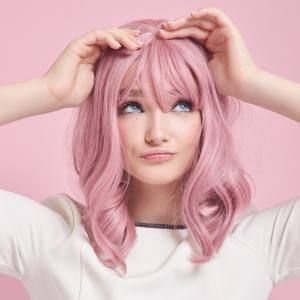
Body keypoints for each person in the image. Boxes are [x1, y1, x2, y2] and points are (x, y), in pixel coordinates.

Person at [0, 6, 299, 300]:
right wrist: (50, 90)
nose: (157, 133)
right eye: (132, 107)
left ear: (206, 119)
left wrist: (251, 82)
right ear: (106, 120)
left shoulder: (255, 243)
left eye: (182, 105)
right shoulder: (54, 240)